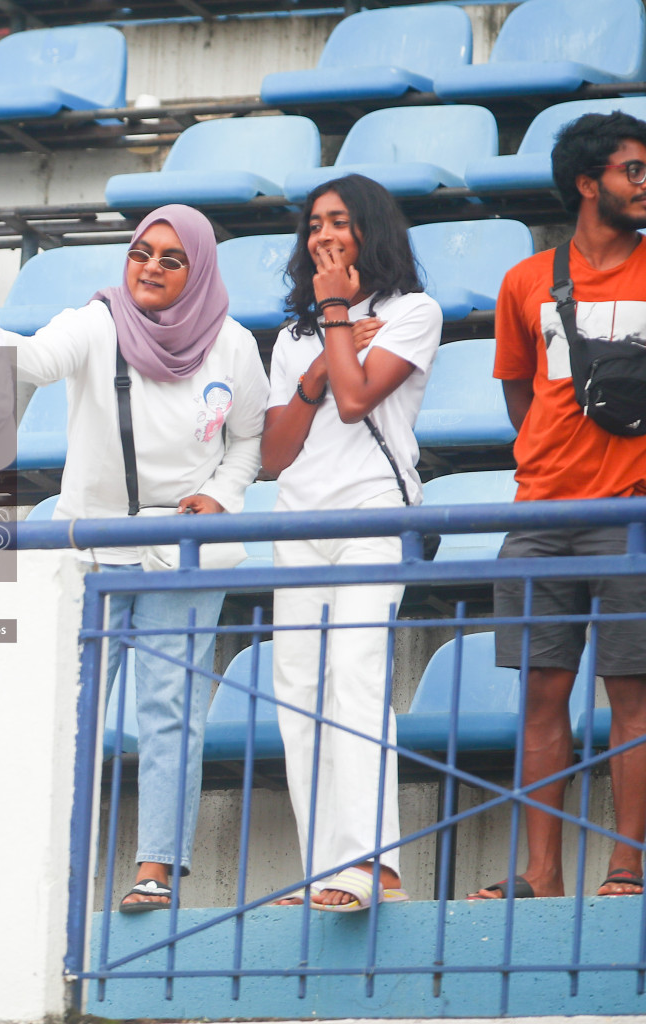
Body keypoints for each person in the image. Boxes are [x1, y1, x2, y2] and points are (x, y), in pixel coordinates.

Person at [0, 205, 268, 912]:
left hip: (183, 549)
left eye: (170, 258)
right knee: (69, 712)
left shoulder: (234, 346)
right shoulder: (100, 323)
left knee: (169, 711)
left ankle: (155, 870)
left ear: (199, 270)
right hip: (91, 547)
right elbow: (36, 357)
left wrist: (221, 494)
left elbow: (249, 438)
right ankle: (50, 874)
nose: (150, 268)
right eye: (140, 253)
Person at [472, 110, 646, 902]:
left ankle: (624, 870)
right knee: (541, 697)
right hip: (539, 518)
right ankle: (541, 875)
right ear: (588, 183)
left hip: (632, 516)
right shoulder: (525, 281)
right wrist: (559, 460)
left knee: (632, 697)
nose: (645, 185)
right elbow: (521, 396)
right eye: (632, 171)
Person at [259, 173, 443, 911]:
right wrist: (315, 358)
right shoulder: (294, 334)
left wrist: (336, 308)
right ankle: (324, 867)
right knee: (297, 690)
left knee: (358, 677)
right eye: (313, 225)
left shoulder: (412, 312)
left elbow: (359, 398)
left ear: (370, 229)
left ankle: (375, 866)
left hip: (372, 512)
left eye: (339, 221)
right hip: (300, 518)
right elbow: (275, 456)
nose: (324, 235)